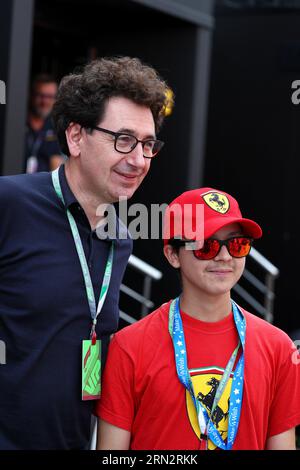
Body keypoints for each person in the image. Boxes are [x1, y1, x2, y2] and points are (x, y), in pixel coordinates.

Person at [0, 56, 170, 449]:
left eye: (148, 144)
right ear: (76, 137)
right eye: (123, 139)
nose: (139, 160)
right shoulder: (10, 203)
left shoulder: (119, 239)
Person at [96, 187, 300, 450]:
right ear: (172, 254)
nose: (224, 256)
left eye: (237, 244)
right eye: (206, 245)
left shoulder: (278, 348)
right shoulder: (129, 346)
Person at [24, 73, 64, 173]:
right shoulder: (16, 122)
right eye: (41, 95)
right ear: (31, 95)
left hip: (39, 186)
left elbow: (56, 165)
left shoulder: (54, 127)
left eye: (50, 97)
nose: (44, 102)